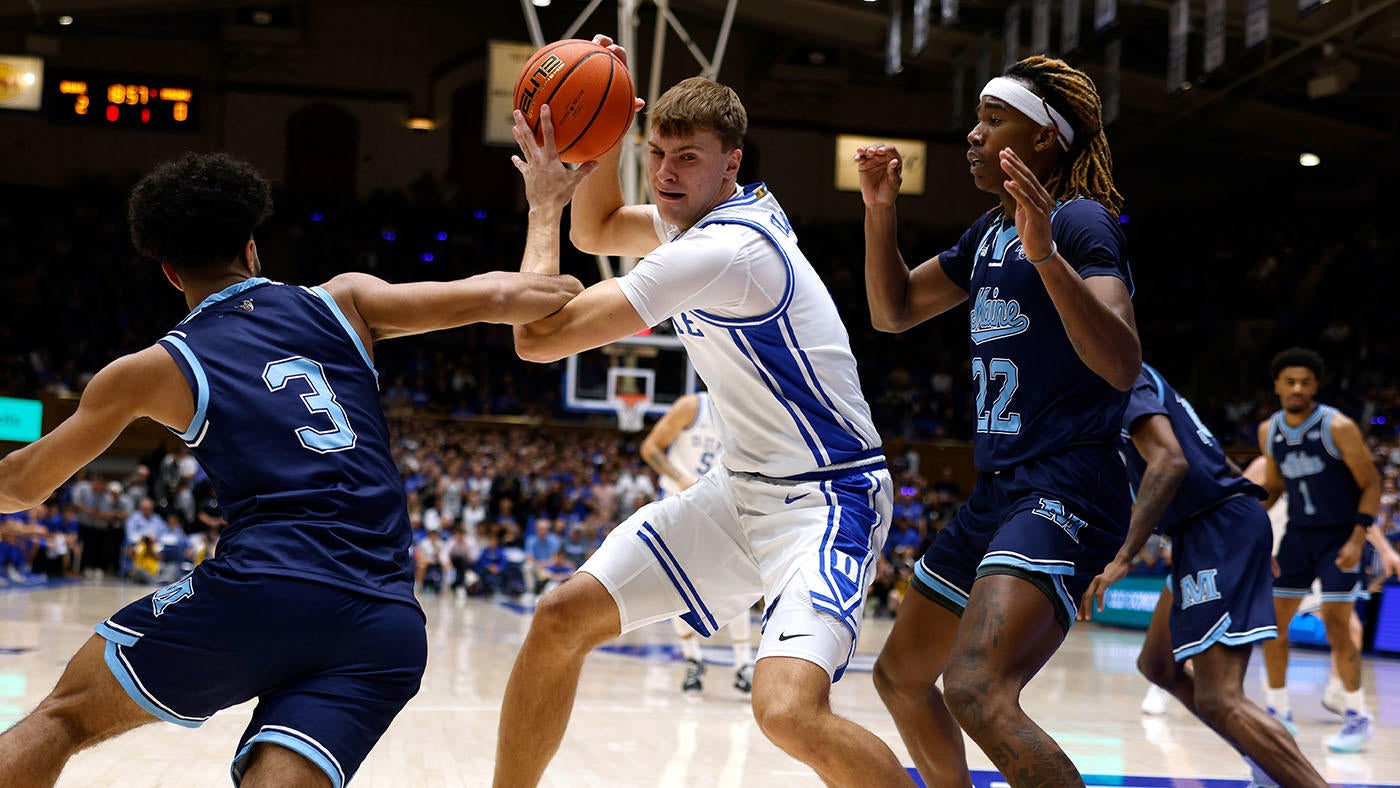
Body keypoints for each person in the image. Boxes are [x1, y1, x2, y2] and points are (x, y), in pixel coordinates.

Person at [0, 152, 582, 788]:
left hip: (267, 586)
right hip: (384, 622)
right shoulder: (348, 301)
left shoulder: (153, 368)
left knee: (62, 718)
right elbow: (528, 299)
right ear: (251, 249)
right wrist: (546, 205)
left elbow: (23, 485)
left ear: (169, 273)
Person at [495, 41, 909, 788]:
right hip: (739, 490)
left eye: (686, 158)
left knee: (785, 710)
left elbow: (537, 338)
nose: (664, 174)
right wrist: (610, 122)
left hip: (827, 498)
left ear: (732, 164)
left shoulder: (725, 249)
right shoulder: (705, 221)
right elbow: (601, 231)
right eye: (657, 153)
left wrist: (543, 203)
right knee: (561, 619)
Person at [858, 55, 1140, 786]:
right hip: (1002, 487)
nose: (974, 134)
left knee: (978, 690)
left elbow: (1121, 363)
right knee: (899, 677)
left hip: (1068, 483)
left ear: (1045, 138)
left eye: (994, 117)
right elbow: (893, 313)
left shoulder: (1080, 221)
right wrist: (881, 210)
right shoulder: (988, 233)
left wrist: (1046, 255)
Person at [1081, 363, 1326, 788]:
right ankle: (1266, 764)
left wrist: (1123, 558)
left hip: (1216, 527)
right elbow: (1221, 464)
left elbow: (1169, 463)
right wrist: (1253, 535)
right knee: (1158, 665)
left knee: (1219, 697)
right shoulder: (1140, 380)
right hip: (1207, 530)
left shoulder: (1117, 373)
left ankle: (1286, 775)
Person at [1255, 347, 1395, 753]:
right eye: (1290, 381)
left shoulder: (1338, 425)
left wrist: (1357, 539)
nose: (1298, 388)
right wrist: (1246, 513)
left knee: (1338, 625)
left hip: (1339, 537)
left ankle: (1357, 715)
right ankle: (1278, 711)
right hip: (1298, 535)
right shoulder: (1270, 430)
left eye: (1306, 381)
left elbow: (1370, 485)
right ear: (1278, 385)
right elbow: (1277, 487)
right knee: (1273, 625)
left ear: (1316, 386)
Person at [639, 391, 755, 695]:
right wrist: (681, 478)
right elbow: (650, 447)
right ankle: (693, 661)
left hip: (721, 508)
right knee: (675, 588)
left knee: (737, 584)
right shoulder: (692, 406)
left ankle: (744, 665)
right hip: (679, 504)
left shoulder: (747, 409)